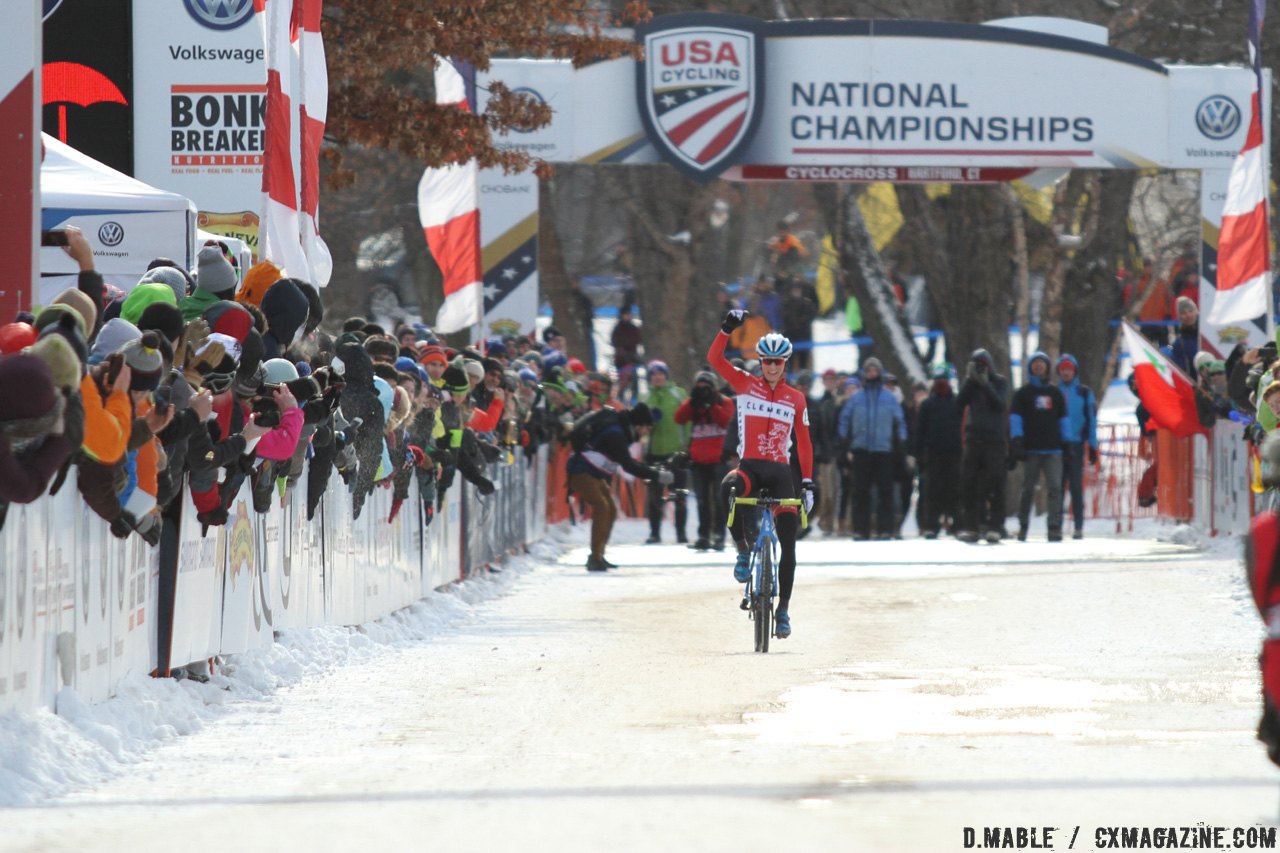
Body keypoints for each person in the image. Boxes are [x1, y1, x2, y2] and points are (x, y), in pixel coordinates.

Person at [709, 313, 814, 639]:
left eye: (777, 362)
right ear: (761, 361)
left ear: (785, 363)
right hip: (751, 467)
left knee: (789, 543)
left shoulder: (796, 398)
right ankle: (742, 548)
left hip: (780, 472)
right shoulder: (744, 384)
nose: (771, 367)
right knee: (729, 488)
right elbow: (715, 359)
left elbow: (805, 443)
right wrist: (727, 329)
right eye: (766, 361)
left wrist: (807, 482)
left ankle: (782, 609)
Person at [566, 403, 673, 571]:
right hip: (581, 471)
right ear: (639, 425)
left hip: (592, 473)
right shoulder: (616, 434)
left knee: (610, 510)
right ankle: (595, 557)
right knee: (602, 507)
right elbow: (628, 465)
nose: (647, 433)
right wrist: (656, 475)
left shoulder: (622, 430)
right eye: (647, 428)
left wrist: (652, 473)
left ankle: (599, 555)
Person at [837, 357, 905, 540]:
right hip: (861, 449)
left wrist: (901, 444)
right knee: (860, 492)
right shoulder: (856, 398)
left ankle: (885, 529)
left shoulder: (889, 398)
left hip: (884, 450)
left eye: (875, 370)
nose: (872, 374)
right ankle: (861, 529)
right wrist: (844, 441)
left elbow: (900, 421)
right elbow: (844, 419)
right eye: (869, 371)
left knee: (885, 491)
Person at [1008, 351, 1070, 542]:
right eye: (1035, 364)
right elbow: (1016, 419)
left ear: (1047, 368)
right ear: (1030, 368)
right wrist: (1017, 440)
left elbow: (1064, 419)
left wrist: (1066, 441)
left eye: (1042, 364)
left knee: (1055, 487)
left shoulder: (1055, 393)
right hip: (1031, 449)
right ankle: (1023, 525)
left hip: (1053, 449)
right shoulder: (1023, 394)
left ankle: (1054, 527)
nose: (1038, 367)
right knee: (1027, 489)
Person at [955, 348, 1010, 543]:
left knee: (995, 483)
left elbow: (1000, 404)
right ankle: (972, 526)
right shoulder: (971, 385)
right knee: (969, 483)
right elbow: (959, 404)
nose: (981, 369)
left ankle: (995, 525)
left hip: (994, 441)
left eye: (983, 365)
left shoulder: (1000, 382)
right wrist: (970, 381)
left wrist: (986, 384)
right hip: (974, 439)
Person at [675, 370, 734, 550]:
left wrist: (711, 405)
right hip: (699, 460)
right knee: (701, 500)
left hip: (718, 459)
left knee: (718, 498)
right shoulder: (695, 404)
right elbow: (679, 418)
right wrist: (693, 402)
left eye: (706, 387)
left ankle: (719, 535)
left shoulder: (725, 402)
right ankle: (703, 535)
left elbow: (727, 421)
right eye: (699, 387)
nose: (702, 390)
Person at [642, 360, 689, 544]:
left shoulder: (678, 394)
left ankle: (681, 532)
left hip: (676, 451)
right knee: (654, 495)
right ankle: (654, 532)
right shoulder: (645, 397)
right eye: (653, 375)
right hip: (654, 451)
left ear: (666, 376)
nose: (657, 378)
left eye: (660, 374)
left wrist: (688, 446)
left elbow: (688, 420)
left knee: (679, 494)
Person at [914, 364, 962, 538]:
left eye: (944, 381)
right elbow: (920, 431)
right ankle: (931, 525)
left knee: (955, 490)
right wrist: (918, 454)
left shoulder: (957, 402)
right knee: (932, 491)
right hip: (934, 454)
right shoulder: (928, 405)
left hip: (954, 453)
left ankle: (957, 523)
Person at [1055, 354, 1098, 540]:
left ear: (1074, 371)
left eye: (1069, 369)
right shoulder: (1054, 391)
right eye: (1062, 369)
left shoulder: (1084, 392)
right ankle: (1055, 524)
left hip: (1076, 444)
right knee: (1056, 486)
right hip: (1056, 445)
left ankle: (1078, 526)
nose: (1066, 372)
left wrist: (1093, 445)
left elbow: (1091, 419)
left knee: (1075, 487)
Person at [610, 306, 643, 402]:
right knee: (622, 382)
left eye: (629, 314)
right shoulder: (617, 329)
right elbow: (614, 341)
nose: (628, 317)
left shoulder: (633, 328)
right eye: (626, 315)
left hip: (632, 360)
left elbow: (638, 340)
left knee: (634, 380)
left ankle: (634, 399)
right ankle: (620, 400)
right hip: (621, 361)